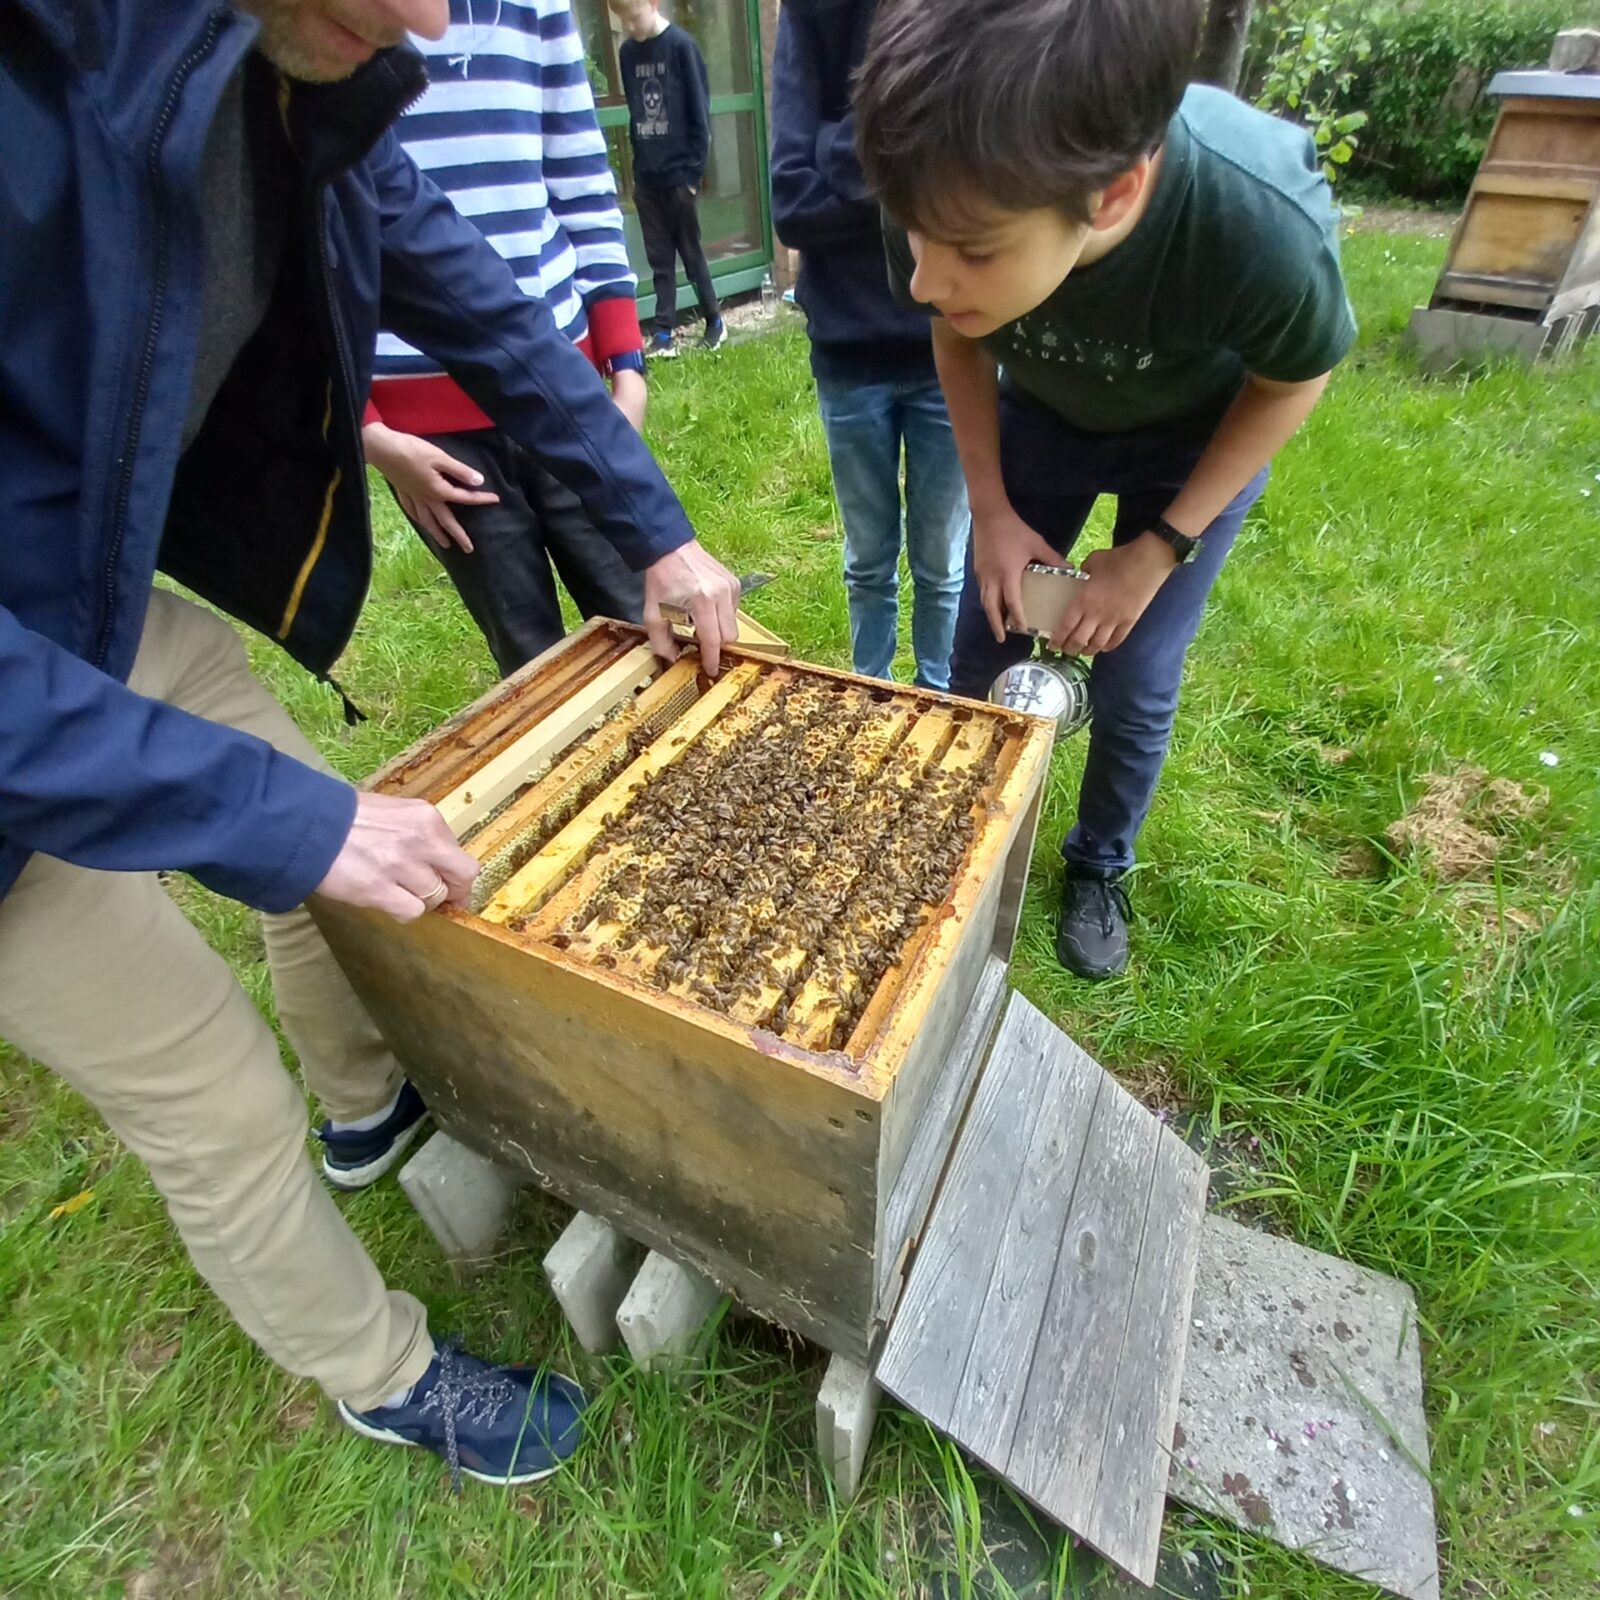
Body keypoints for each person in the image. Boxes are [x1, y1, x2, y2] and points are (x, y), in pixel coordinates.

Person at [0, 0, 741, 1489]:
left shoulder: (297, 73)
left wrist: (651, 529)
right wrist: (280, 824)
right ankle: (382, 1373)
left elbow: (483, 309)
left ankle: (367, 1108)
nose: (426, 22)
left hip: (76, 606)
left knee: (318, 834)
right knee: (213, 1094)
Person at [854, 0, 1356, 978]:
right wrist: (992, 510)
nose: (920, 278)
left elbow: (1292, 380)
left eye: (971, 252)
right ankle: (962, 833)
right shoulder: (939, 180)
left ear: (1116, 194)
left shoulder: (1256, 224)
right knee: (986, 630)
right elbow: (954, 330)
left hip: (1194, 445)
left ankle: (1098, 864)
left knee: (1134, 672)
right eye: (914, 240)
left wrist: (1158, 549)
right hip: (1042, 414)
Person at [364, 0, 653, 678]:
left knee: (640, 613)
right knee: (533, 660)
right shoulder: (338, 22)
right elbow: (300, 240)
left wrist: (627, 367)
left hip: (559, 383)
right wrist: (372, 432)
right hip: (429, 439)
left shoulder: (538, 8)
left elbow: (584, 185)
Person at [770, 0, 968, 692]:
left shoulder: (958, 16)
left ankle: (941, 696)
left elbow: (964, 172)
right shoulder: (810, 14)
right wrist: (901, 172)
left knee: (943, 561)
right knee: (868, 557)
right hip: (848, 352)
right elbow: (791, 201)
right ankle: (871, 695)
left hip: (952, 353)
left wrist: (835, 146)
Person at [609, 0, 725, 355]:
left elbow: (700, 117)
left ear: (653, 4)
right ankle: (663, 334)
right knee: (659, 260)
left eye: (634, 18)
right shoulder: (628, 53)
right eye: (623, 21)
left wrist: (692, 176)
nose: (629, 27)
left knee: (691, 255)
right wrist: (638, 172)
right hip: (648, 179)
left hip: (680, 177)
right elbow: (635, 113)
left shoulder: (681, 47)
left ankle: (715, 322)